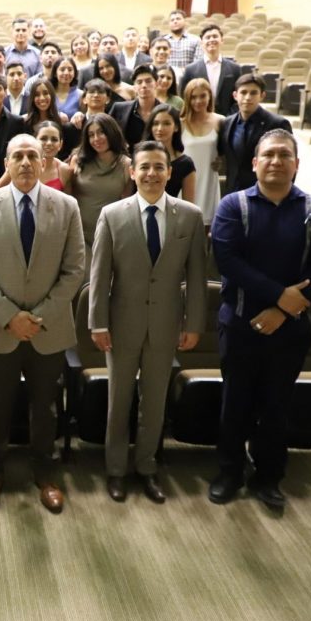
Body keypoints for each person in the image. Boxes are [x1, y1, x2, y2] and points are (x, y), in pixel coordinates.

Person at [209, 129, 311, 509]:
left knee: (277, 406)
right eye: (268, 155)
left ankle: (268, 477)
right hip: (240, 324)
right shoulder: (233, 205)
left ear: (296, 164)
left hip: (290, 327)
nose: (276, 161)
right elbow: (228, 261)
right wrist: (279, 295)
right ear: (254, 163)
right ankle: (229, 472)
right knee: (235, 403)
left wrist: (282, 309)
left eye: (284, 155)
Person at [0, 134, 86, 514]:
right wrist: (10, 316)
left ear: (43, 161)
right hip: (0, 327)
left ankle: (45, 474)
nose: (25, 162)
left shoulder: (66, 206)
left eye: (32, 155)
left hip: (48, 328)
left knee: (45, 407)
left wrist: (38, 317)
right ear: (6, 163)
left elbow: (75, 269)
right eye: (17, 156)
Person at [90, 140, 206, 504]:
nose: (151, 173)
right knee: (119, 400)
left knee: (154, 402)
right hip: (121, 324)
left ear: (170, 172)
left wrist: (193, 324)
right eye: (144, 167)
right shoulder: (112, 215)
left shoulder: (189, 216)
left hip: (166, 324)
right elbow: (99, 274)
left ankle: (147, 466)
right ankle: (115, 469)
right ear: (132, 171)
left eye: (159, 167)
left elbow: (197, 277)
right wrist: (97, 323)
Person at [69, 112, 134, 260]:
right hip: (79, 235)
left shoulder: (126, 164)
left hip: (110, 234)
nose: (96, 139)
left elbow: (126, 205)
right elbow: (68, 195)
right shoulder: (78, 160)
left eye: (101, 132)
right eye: (91, 135)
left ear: (111, 132)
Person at [217, 73, 292, 194]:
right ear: (235, 95)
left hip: (265, 193)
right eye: (243, 92)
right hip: (233, 192)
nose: (248, 97)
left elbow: (289, 161)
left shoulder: (277, 123)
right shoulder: (227, 123)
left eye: (253, 93)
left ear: (262, 96)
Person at [180, 78, 224, 227]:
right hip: (185, 179)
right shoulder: (180, 123)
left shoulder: (220, 121)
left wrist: (221, 160)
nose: (198, 101)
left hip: (209, 178)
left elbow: (227, 150)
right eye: (193, 97)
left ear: (210, 96)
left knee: (207, 224)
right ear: (187, 98)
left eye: (203, 96)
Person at [179, 23, 241, 117]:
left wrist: (229, 118)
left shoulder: (235, 69)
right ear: (201, 43)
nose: (211, 39)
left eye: (215, 36)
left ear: (222, 41)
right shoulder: (190, 70)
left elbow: (239, 96)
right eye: (207, 37)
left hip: (228, 119)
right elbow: (184, 97)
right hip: (200, 119)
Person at [146, 104, 195, 202]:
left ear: (176, 127)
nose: (160, 128)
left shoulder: (185, 163)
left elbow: (189, 205)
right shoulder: (138, 157)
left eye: (166, 123)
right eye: (155, 123)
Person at [110, 64, 163, 144]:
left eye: (148, 81)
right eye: (139, 82)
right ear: (134, 86)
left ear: (156, 84)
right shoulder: (119, 109)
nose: (144, 85)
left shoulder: (166, 111)